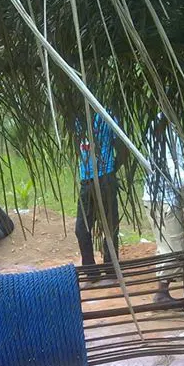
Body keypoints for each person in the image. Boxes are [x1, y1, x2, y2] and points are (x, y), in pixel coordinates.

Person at [142, 113, 184, 302]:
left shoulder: (160, 125)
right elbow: (168, 166)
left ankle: (164, 292)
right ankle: (162, 293)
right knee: (175, 249)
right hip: (165, 198)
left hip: (154, 196)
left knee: (165, 247)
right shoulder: (162, 128)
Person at [74, 109, 125, 269]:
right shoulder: (76, 117)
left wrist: (111, 169)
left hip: (105, 179)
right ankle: (90, 270)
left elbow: (123, 147)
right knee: (81, 228)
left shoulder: (107, 113)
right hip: (86, 181)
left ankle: (111, 267)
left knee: (110, 226)